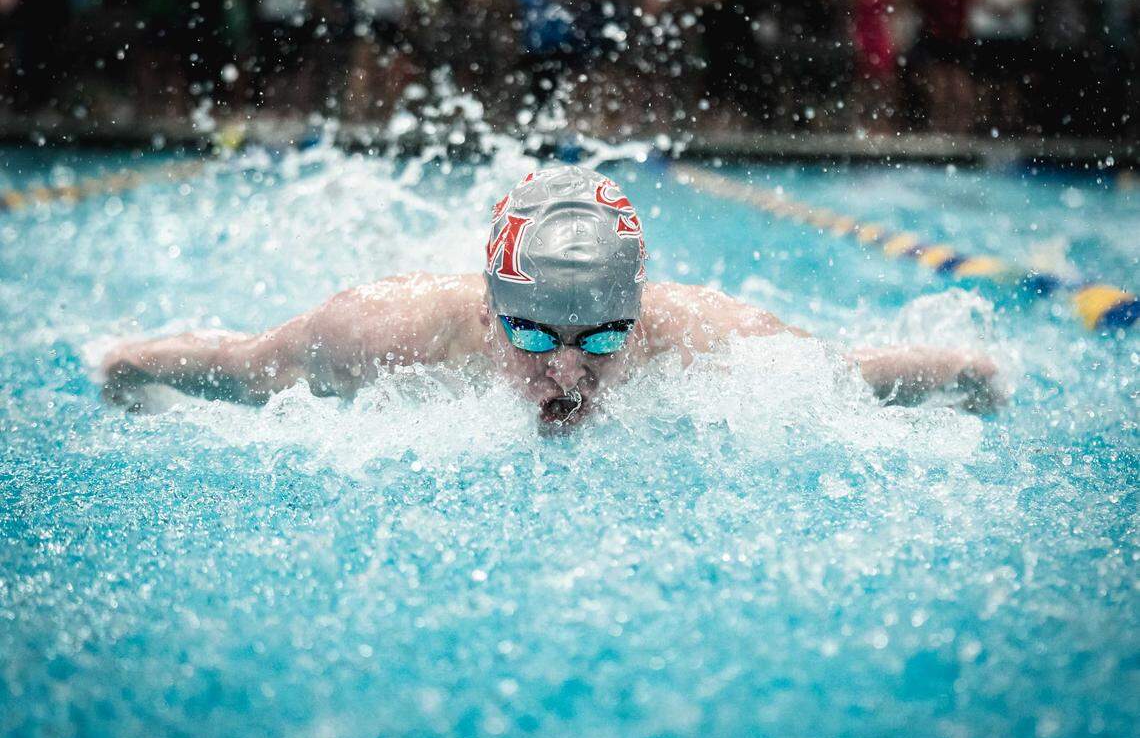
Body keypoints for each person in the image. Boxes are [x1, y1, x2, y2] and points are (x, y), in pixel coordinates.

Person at [100, 165, 1002, 427]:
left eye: (603, 338)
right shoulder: (383, 331)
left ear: (640, 317)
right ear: (491, 310)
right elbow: (247, 364)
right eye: (533, 337)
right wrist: (126, 365)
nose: (567, 370)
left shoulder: (710, 339)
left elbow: (839, 376)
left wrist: (967, 373)